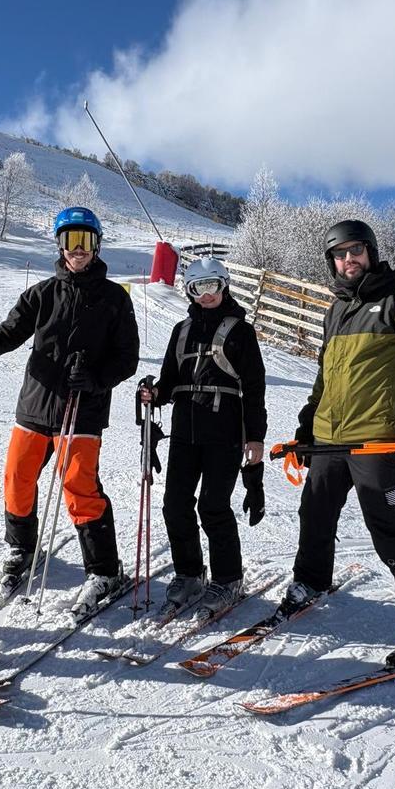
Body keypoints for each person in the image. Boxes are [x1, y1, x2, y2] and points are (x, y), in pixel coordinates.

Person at [286, 219, 395, 663]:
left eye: (355, 250)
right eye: (340, 254)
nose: (348, 260)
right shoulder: (335, 310)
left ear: (371, 251)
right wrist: (308, 424)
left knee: (393, 531)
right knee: (315, 514)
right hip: (330, 438)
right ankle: (311, 580)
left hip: (379, 440)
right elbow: (326, 376)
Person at [0, 207, 139, 617]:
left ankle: (105, 570)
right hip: (35, 405)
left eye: (86, 241)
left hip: (83, 411)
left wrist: (94, 378)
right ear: (59, 245)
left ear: (97, 246)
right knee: (17, 478)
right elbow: (3, 336)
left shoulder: (114, 300)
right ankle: (21, 548)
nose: (78, 250)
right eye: (71, 241)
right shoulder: (41, 294)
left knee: (78, 487)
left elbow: (127, 359)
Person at [138, 257, 267, 620]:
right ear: (189, 292)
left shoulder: (241, 331)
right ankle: (190, 573)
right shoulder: (181, 330)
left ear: (224, 286)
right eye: (198, 288)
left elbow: (254, 387)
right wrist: (154, 393)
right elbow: (168, 380)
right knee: (175, 504)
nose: (206, 295)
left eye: (212, 286)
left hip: (223, 432)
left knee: (212, 506)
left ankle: (228, 579)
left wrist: (255, 437)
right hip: (184, 431)